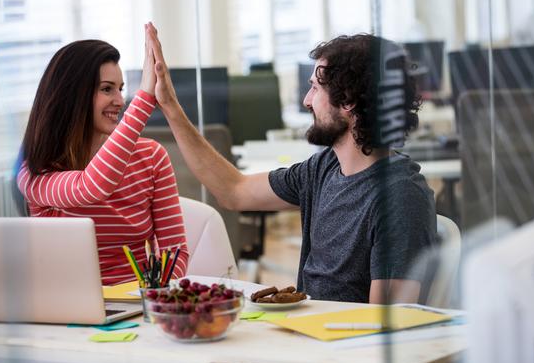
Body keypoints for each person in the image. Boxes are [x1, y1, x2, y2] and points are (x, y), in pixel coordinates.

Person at [153, 31, 436, 303]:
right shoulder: (323, 168)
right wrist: (170, 107)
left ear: (348, 100)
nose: (306, 101)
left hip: (335, 348)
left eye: (315, 88)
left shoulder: (399, 196)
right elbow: (234, 191)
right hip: (304, 332)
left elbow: (387, 328)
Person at [16, 23, 189, 285]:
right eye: (107, 89)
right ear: (73, 96)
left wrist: (156, 298)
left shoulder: (151, 157)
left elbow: (174, 253)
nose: (120, 100)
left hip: (139, 307)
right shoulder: (36, 171)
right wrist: (145, 97)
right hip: (71, 310)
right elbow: (91, 186)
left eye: (120, 89)